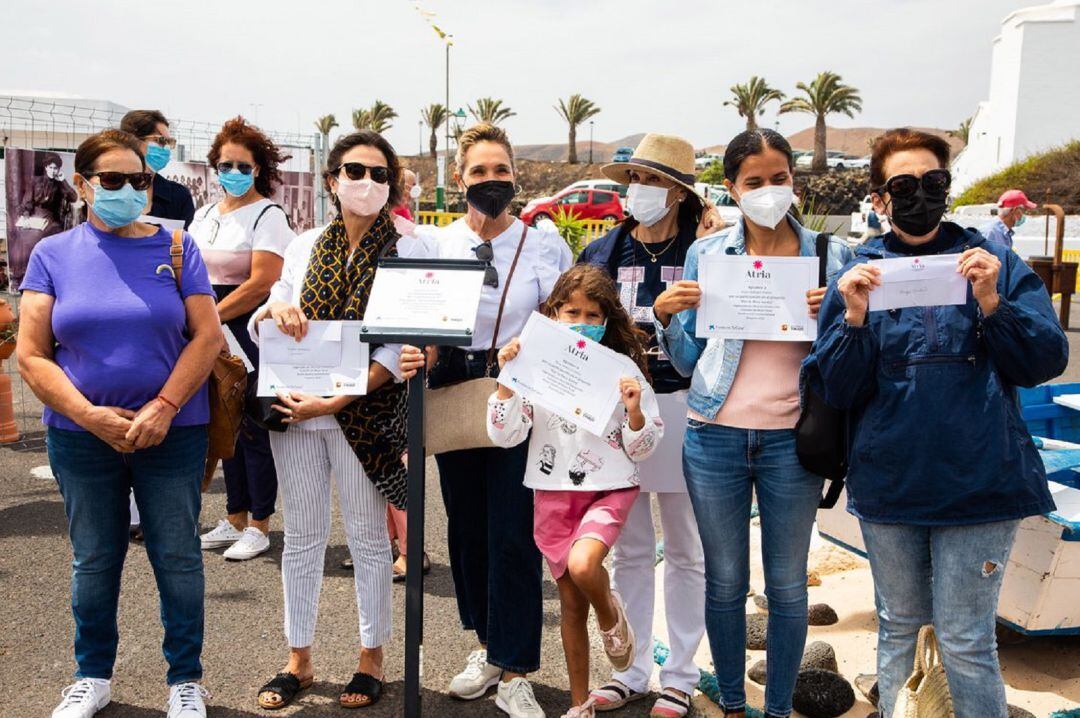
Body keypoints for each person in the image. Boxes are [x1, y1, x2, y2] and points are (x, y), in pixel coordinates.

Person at [806, 128, 1068, 718]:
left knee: (968, 640)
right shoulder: (860, 271)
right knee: (898, 628)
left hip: (982, 482)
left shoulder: (993, 260)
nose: (920, 195)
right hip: (891, 482)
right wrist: (852, 316)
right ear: (880, 197)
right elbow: (837, 389)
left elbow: (1045, 361)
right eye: (903, 185)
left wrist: (994, 302)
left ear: (948, 187)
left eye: (933, 182)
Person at [17, 129, 221, 718]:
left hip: (173, 433)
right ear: (83, 185)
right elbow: (32, 353)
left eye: (140, 180)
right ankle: (92, 675)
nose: (129, 190)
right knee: (94, 557)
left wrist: (163, 406)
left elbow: (206, 337)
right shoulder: (53, 255)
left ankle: (185, 681)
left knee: (178, 556)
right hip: (82, 438)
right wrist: (86, 415)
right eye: (113, 180)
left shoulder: (179, 247)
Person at [652, 128, 852, 718]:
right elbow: (690, 362)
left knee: (788, 587)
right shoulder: (708, 254)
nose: (769, 191)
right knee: (725, 582)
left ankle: (780, 708)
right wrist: (669, 321)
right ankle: (736, 703)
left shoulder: (832, 254)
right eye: (754, 182)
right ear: (732, 188)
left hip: (794, 441)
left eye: (779, 179)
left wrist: (836, 314)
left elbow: (849, 359)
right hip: (713, 434)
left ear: (794, 180)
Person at [399, 122, 571, 718]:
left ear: (515, 176)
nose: (491, 181)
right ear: (458, 178)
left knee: (513, 531)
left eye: (501, 171)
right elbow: (417, 316)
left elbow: (561, 320)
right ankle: (487, 649)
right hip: (451, 391)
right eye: (479, 172)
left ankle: (518, 667)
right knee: (466, 529)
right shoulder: (435, 243)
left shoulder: (544, 244)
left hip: (518, 394)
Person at [246, 130, 416, 711]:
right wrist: (277, 305)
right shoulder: (304, 245)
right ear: (332, 179)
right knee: (302, 539)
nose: (365, 182)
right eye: (354, 170)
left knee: (369, 540)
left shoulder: (408, 251)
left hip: (363, 415)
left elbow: (397, 349)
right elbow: (267, 320)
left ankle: (371, 659)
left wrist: (339, 399)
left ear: (390, 183)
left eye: (377, 173)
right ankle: (299, 658)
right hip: (297, 411)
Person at [488, 264, 664, 718]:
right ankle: (578, 703)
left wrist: (635, 412)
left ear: (607, 320)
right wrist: (507, 379)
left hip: (608, 487)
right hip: (551, 489)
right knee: (568, 603)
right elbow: (504, 434)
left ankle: (610, 614)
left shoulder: (623, 368)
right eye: (573, 312)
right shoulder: (532, 360)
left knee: (586, 567)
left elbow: (642, 447)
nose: (583, 322)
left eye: (593, 314)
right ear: (553, 312)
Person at [578, 133, 712, 718]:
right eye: (633, 180)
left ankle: (680, 673)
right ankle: (631, 669)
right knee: (629, 548)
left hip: (683, 406)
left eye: (653, 182)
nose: (639, 192)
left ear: (679, 193)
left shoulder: (708, 252)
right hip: (616, 415)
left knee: (685, 547)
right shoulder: (602, 253)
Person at [189, 117, 295, 561]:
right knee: (222, 422)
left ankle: (260, 523)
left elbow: (261, 283)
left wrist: (209, 316)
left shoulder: (268, 215)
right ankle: (234, 515)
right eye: (225, 164)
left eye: (242, 165)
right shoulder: (204, 214)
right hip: (207, 328)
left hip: (246, 331)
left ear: (258, 169)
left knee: (253, 426)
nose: (232, 172)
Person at [120, 110, 196, 228]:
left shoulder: (179, 196)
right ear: (133, 141)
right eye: (160, 141)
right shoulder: (108, 188)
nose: (165, 148)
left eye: (169, 142)